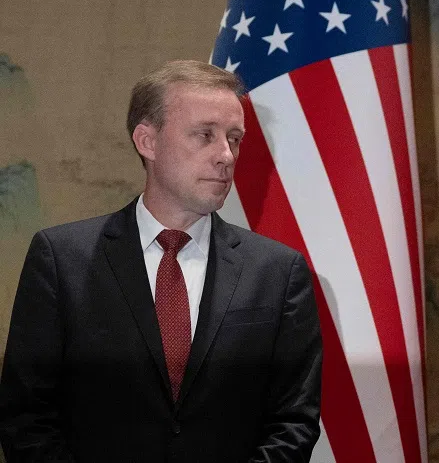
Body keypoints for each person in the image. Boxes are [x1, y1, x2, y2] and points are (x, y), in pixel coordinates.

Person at [0, 60, 322, 462]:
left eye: (234, 138)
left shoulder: (278, 271)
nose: (226, 155)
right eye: (205, 135)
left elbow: (294, 422)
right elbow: (26, 419)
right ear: (147, 141)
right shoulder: (61, 259)